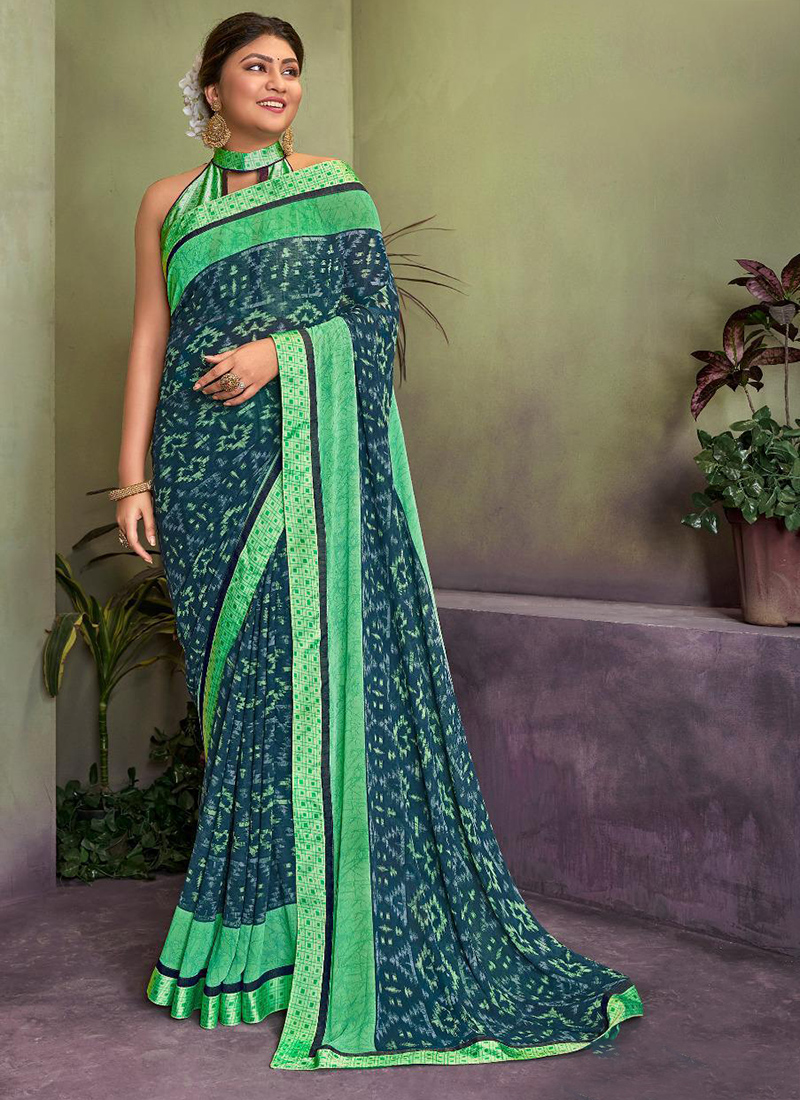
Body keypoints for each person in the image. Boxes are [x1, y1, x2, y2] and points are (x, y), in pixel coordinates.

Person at [114, 11, 644, 1072]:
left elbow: (369, 321)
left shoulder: (336, 190)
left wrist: (278, 354)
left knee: (294, 695)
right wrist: (132, 473)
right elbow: (149, 333)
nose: (279, 83)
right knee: (241, 703)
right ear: (210, 88)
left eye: (291, 69)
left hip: (303, 473)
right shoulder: (168, 203)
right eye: (256, 67)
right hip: (202, 473)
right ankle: (259, 939)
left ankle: (304, 941)